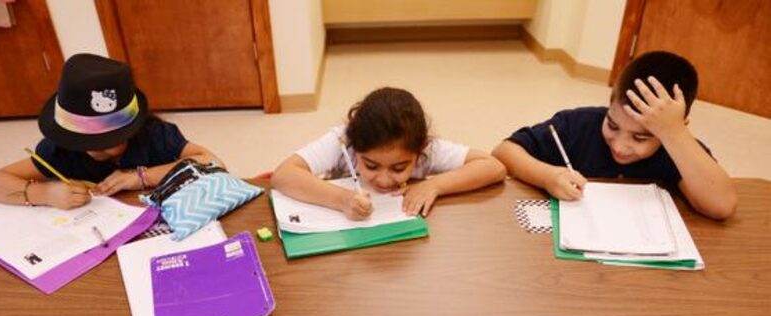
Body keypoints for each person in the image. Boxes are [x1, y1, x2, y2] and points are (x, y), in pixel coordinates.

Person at [493, 51, 736, 220]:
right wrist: (547, 176)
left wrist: (675, 134)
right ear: (610, 106)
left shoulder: (679, 147)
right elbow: (504, 152)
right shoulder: (577, 124)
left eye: (640, 138)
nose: (620, 146)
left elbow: (721, 206)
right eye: (612, 125)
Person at [0, 53, 220, 209]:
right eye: (82, 140)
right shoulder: (61, 150)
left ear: (131, 130)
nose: (93, 148)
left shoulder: (154, 135)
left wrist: (141, 177)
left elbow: (212, 162)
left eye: (107, 140)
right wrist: (44, 193)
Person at [272, 87, 505, 219]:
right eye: (371, 166)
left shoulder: (426, 149)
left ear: (420, 150)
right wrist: (342, 200)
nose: (383, 180)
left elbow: (493, 166)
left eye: (399, 168)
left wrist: (434, 185)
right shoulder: (342, 140)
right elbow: (283, 174)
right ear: (354, 145)